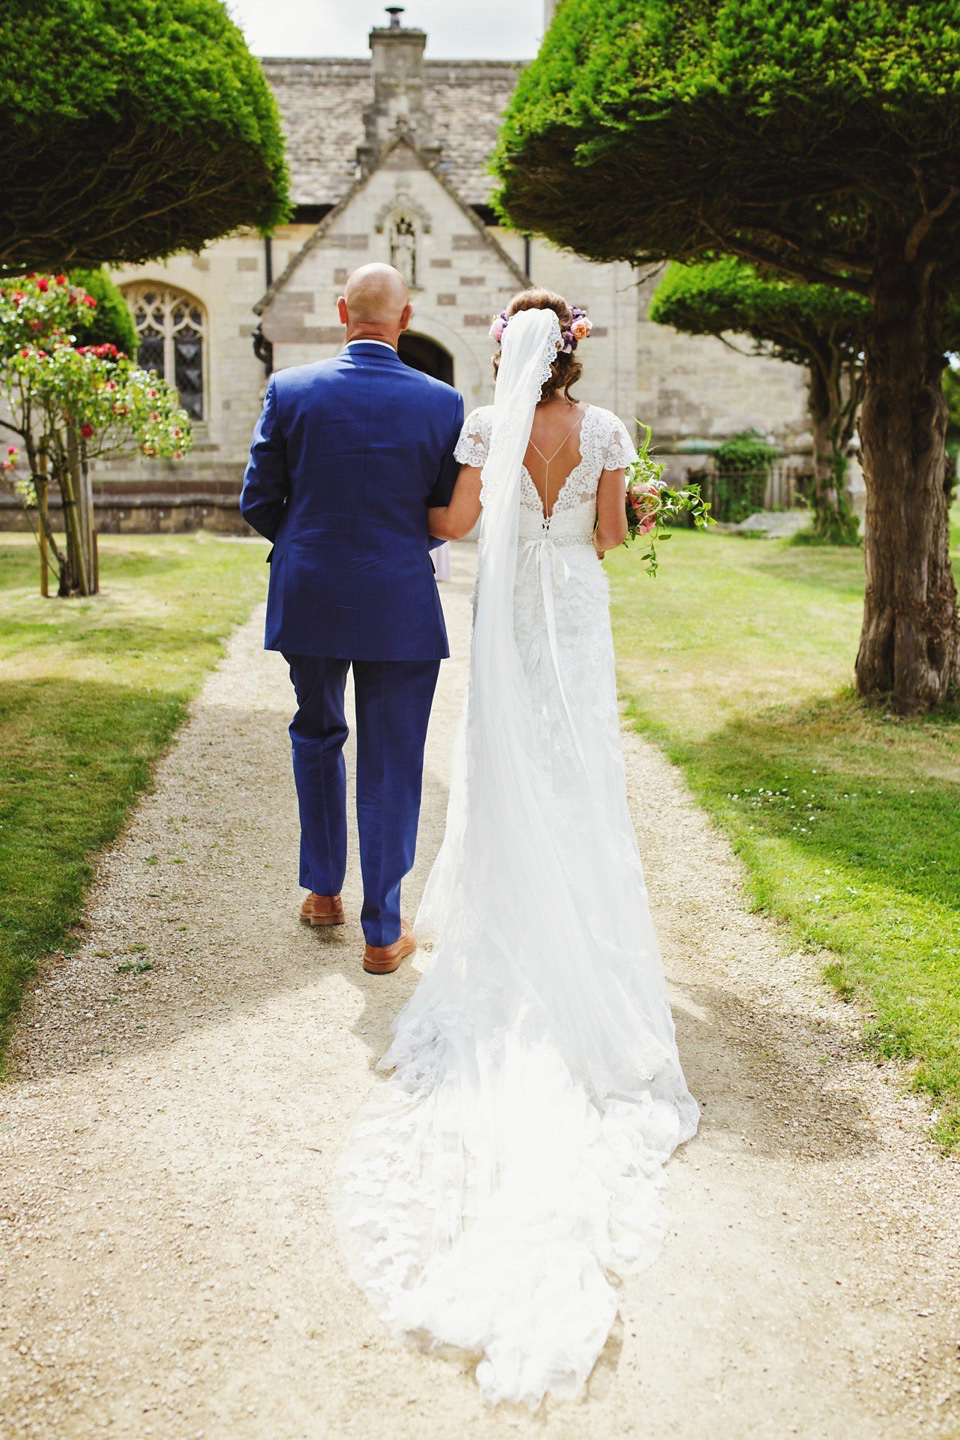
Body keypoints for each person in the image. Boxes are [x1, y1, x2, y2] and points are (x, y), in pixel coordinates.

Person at [336, 289, 699, 1406]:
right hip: (575, 610)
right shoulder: (603, 434)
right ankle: (579, 920)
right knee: (578, 766)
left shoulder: (485, 429)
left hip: (511, 609)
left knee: (506, 764)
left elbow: (456, 525)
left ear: (507, 354)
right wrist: (623, 510)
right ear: (573, 353)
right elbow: (605, 535)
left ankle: (508, 912)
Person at [240, 264, 463, 973]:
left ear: (343, 313)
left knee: (316, 732)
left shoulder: (291, 389)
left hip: (310, 590)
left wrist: (309, 542)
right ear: (405, 319)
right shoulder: (444, 402)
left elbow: (257, 499)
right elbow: (440, 513)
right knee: (394, 758)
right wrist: (400, 548)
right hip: (399, 594)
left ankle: (323, 891)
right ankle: (382, 929)